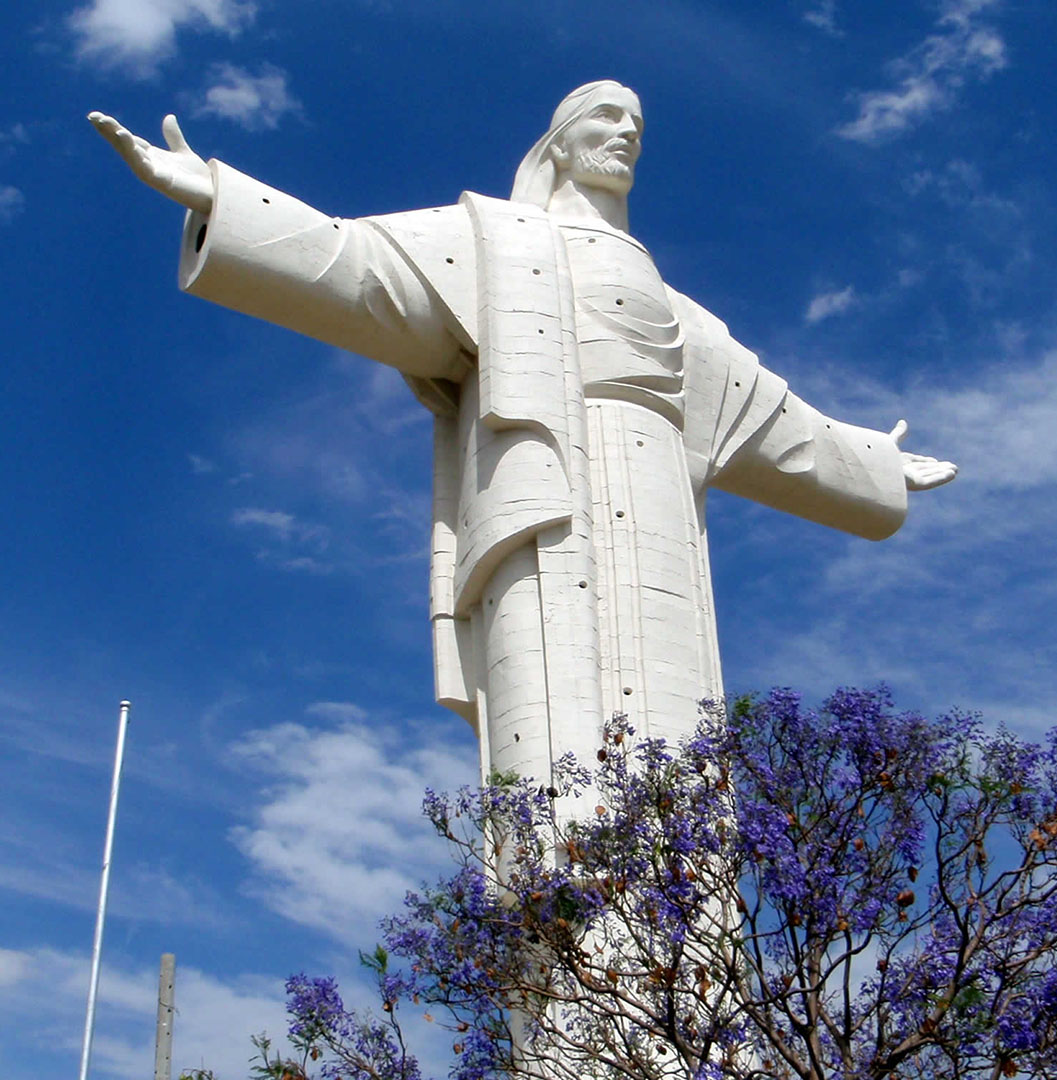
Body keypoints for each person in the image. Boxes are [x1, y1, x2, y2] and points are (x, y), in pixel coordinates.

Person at [89, 81, 956, 813]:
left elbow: (776, 422)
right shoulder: (498, 241)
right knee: (555, 741)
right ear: (559, 144)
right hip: (547, 501)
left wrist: (875, 462)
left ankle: (689, 999)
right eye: (607, 118)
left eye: (638, 128)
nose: (626, 135)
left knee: (682, 758)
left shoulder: (676, 309)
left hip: (659, 513)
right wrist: (220, 197)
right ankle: (572, 998)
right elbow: (360, 266)